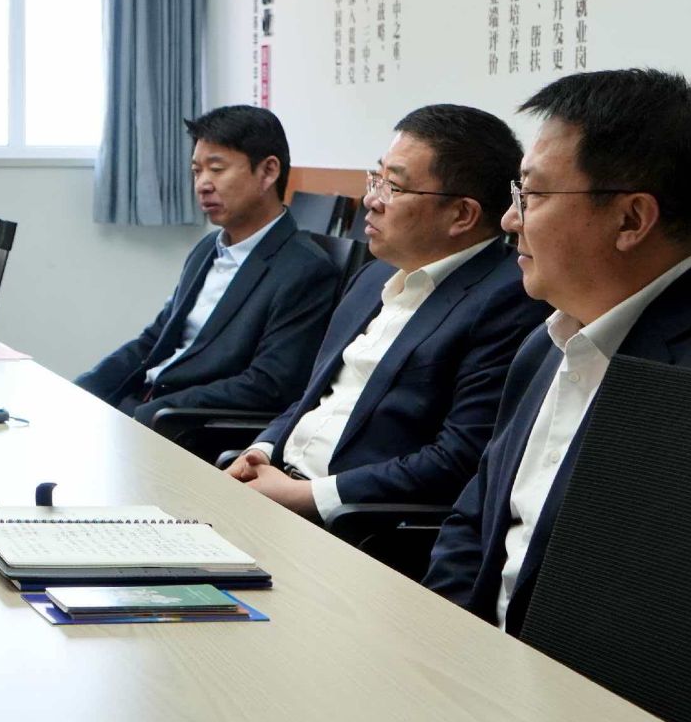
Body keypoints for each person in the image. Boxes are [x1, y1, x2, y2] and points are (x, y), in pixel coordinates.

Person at [425, 69, 691, 631]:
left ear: (631, 219)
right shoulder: (549, 341)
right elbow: (475, 519)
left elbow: (681, 620)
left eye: (532, 194)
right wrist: (443, 638)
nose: (510, 219)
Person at [227, 105, 545, 523]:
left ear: (462, 215)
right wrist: (261, 450)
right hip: (279, 487)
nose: (371, 201)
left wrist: (309, 496)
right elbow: (314, 398)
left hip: (353, 523)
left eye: (393, 186)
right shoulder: (373, 276)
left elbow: (458, 460)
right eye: (375, 179)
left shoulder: (507, 301)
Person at [75, 105, 340, 426]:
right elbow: (154, 340)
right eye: (196, 171)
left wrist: (147, 414)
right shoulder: (206, 249)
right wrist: (81, 389)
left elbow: (269, 385)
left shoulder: (305, 270)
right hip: (146, 405)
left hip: (187, 424)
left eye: (216, 169)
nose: (202, 184)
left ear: (268, 172)